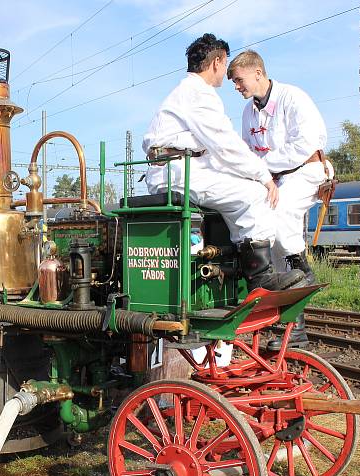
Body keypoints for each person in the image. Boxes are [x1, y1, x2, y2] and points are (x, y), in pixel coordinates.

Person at [142, 33, 305, 292]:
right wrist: (263, 176)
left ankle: (244, 267)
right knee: (256, 195)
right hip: (179, 171)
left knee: (245, 189)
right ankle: (259, 278)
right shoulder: (198, 94)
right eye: (225, 63)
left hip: (181, 168)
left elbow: (219, 149)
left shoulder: (187, 92)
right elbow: (226, 145)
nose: (226, 75)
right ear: (217, 62)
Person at [228, 49, 333, 348]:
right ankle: (295, 325)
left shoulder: (292, 97)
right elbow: (248, 151)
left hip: (306, 170)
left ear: (258, 73)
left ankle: (304, 275)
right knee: (260, 230)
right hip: (274, 178)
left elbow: (308, 141)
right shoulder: (248, 111)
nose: (237, 87)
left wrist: (265, 167)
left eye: (239, 80)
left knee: (280, 214)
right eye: (234, 82)